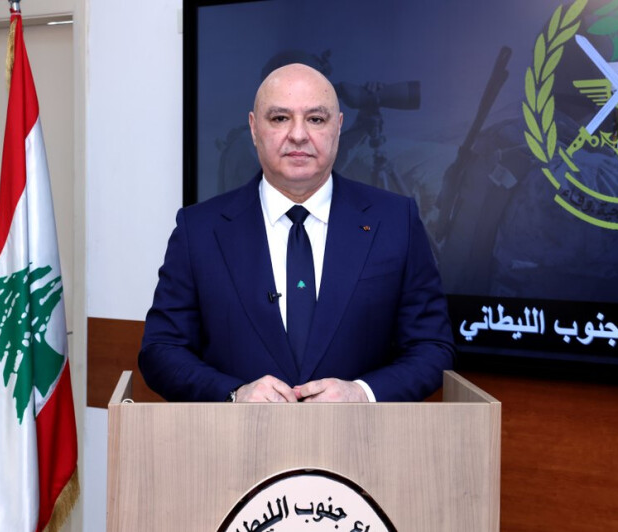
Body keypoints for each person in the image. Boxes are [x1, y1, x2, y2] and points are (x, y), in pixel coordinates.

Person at [139, 63, 454, 402]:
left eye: (316, 119)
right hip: (236, 435)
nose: (299, 135)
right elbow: (161, 349)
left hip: (360, 435)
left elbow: (432, 347)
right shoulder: (199, 230)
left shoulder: (395, 221)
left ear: (338, 127)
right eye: (280, 118)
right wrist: (234, 395)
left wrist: (362, 394)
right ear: (254, 128)